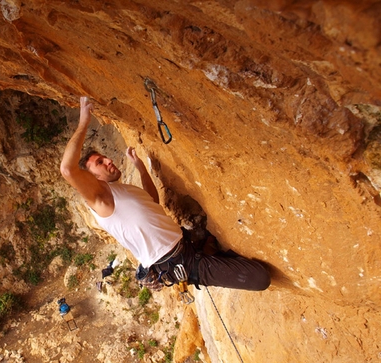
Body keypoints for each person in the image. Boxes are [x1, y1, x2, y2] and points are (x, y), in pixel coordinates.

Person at [60, 97, 270, 292]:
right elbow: (68, 170)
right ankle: (210, 254)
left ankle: (209, 250)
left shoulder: (119, 191)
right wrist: (84, 122)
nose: (108, 161)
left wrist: (141, 168)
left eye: (104, 157)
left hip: (184, 248)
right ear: (91, 178)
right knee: (260, 278)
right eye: (100, 163)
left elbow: (152, 201)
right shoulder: (100, 199)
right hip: (177, 263)